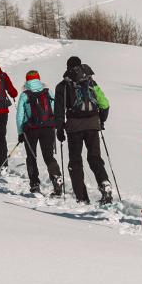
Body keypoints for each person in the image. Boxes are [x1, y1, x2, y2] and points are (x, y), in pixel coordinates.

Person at [55, 55, 112, 204]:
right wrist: (101, 120)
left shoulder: (63, 85)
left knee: (75, 162)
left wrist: (59, 129)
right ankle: (104, 183)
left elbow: (59, 111)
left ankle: (82, 198)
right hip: (93, 124)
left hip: (74, 127)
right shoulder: (91, 82)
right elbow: (104, 104)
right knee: (95, 158)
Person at [15, 69, 62, 196]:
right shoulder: (47, 92)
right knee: (49, 156)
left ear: (27, 80)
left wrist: (20, 132)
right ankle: (57, 178)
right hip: (48, 128)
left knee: (31, 157)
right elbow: (54, 109)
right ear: (39, 79)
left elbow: (20, 115)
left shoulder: (25, 95)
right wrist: (55, 125)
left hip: (31, 130)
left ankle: (35, 185)